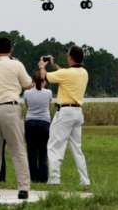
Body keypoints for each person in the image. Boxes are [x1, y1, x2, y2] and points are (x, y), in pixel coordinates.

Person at [0, 37, 32, 199]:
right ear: (11, 50)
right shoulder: (16, 64)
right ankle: (23, 188)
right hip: (10, 108)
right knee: (17, 149)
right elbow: (27, 84)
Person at [38, 46, 91, 186]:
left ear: (71, 57)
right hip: (78, 112)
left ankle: (54, 179)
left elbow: (45, 76)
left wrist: (43, 66)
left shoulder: (67, 73)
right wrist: (54, 64)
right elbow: (64, 74)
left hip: (65, 112)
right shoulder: (84, 72)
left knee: (55, 145)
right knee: (77, 148)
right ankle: (85, 180)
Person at [23, 70, 52, 183]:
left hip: (30, 122)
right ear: (44, 81)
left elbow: (27, 106)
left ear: (33, 81)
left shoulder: (27, 93)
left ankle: (33, 177)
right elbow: (48, 105)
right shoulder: (48, 93)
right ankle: (43, 177)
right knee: (43, 151)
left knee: (31, 151)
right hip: (44, 122)